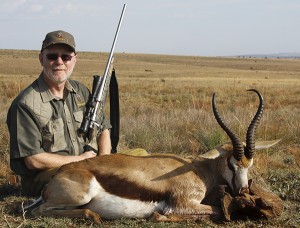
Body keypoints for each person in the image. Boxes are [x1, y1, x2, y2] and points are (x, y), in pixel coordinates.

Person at [7, 30, 112, 197]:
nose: (59, 62)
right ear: (41, 59)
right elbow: (34, 160)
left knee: (139, 157)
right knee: (90, 182)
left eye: (66, 57)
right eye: (52, 56)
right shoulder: (25, 104)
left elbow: (104, 127)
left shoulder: (80, 91)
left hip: (90, 165)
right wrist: (82, 160)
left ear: (74, 60)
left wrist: (105, 161)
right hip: (48, 177)